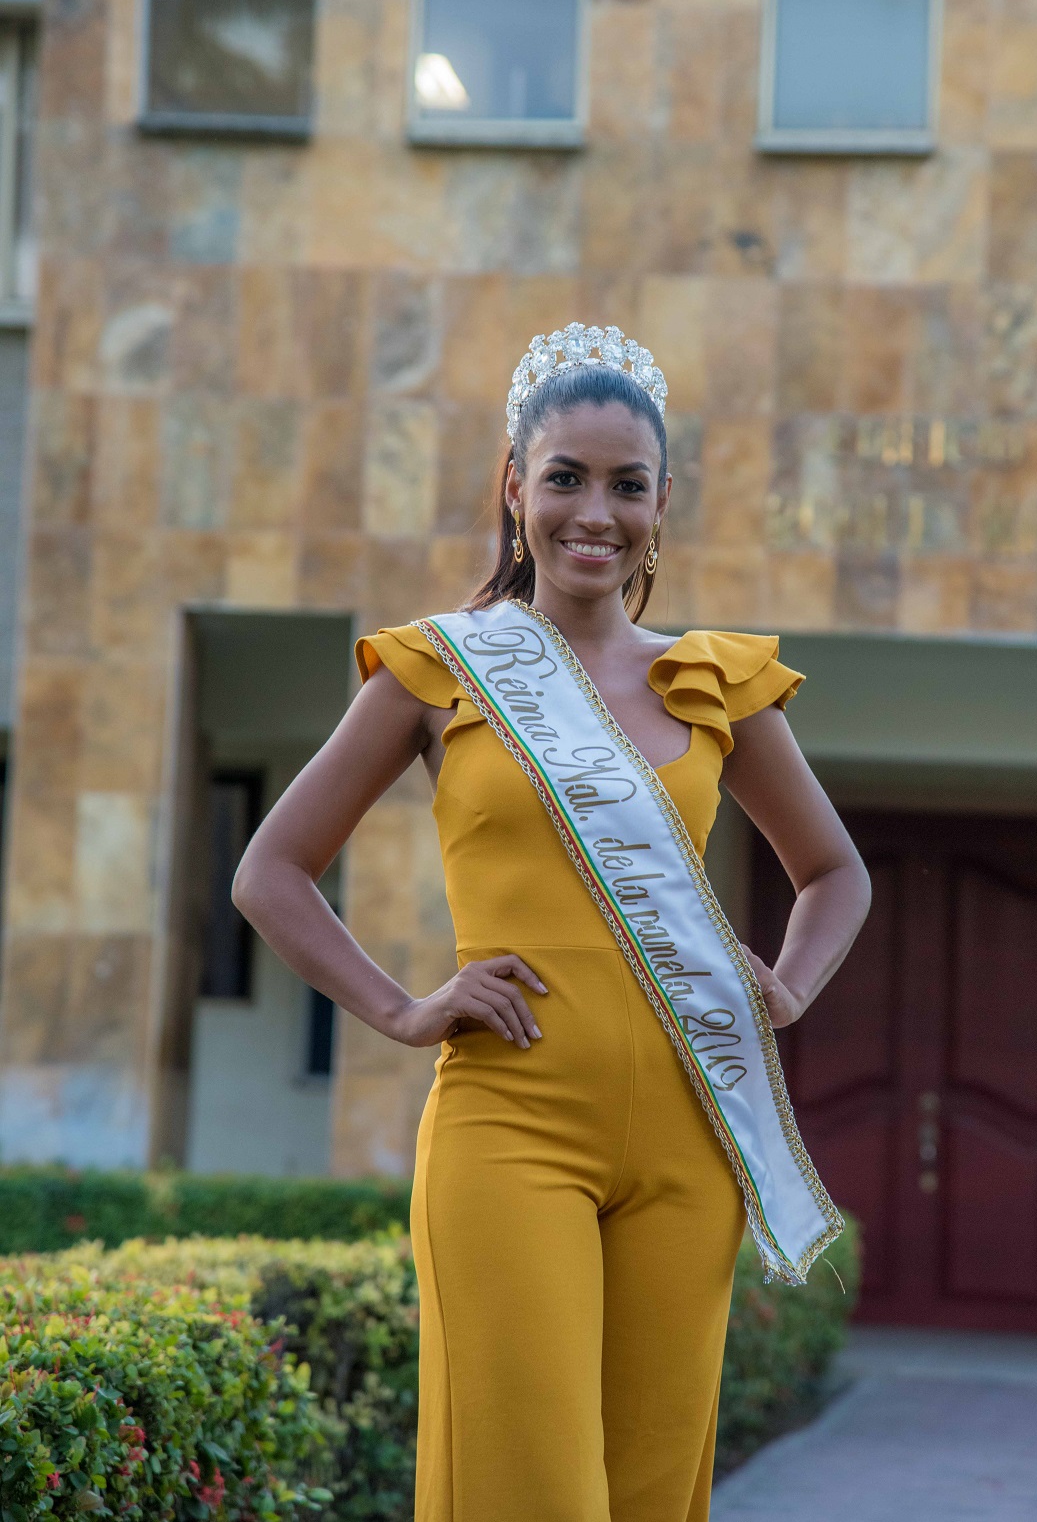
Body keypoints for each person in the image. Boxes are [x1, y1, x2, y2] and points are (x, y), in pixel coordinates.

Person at [233, 325, 871, 1522]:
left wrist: (785, 987)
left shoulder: (714, 678)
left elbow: (836, 872)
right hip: (509, 1128)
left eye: (628, 484)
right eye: (566, 476)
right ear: (514, 485)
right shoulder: (438, 670)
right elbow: (271, 869)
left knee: (645, 1494)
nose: (597, 511)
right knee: (527, 1489)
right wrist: (404, 1007)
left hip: (691, 1148)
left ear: (663, 503)